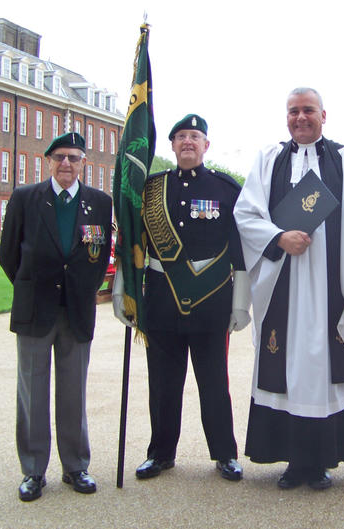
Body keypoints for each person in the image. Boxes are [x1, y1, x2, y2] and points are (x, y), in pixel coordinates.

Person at [233, 87, 344, 490]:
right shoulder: (269, 159)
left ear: (324, 115)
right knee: (290, 365)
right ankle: (295, 462)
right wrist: (278, 237)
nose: (300, 118)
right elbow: (245, 213)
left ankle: (323, 460)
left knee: (327, 365)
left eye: (308, 110)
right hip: (284, 283)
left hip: (333, 281)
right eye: (293, 111)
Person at [113, 114, 250, 482]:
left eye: (195, 136)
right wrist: (122, 289)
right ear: (172, 145)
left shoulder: (226, 189)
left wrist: (240, 303)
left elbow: (240, 252)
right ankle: (160, 454)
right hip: (160, 300)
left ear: (206, 145)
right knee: (162, 384)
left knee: (214, 384)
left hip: (211, 303)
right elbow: (132, 242)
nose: (188, 141)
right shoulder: (150, 189)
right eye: (181, 137)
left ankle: (225, 454)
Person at [0, 132, 112, 501]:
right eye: (60, 157)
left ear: (84, 163)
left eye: (74, 158)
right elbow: (8, 253)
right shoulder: (25, 198)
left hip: (76, 310)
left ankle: (75, 467)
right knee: (31, 393)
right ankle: (33, 471)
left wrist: (81, 287)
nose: (67, 164)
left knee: (73, 393)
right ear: (48, 160)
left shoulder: (99, 202)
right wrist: (31, 285)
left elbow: (99, 255)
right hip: (35, 309)